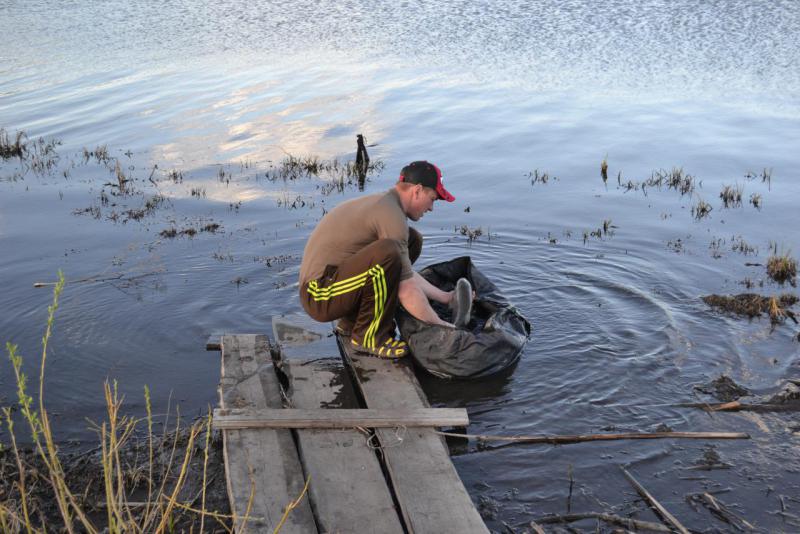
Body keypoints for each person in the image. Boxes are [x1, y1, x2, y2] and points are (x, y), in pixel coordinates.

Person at [298, 160, 458, 358]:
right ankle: (368, 336)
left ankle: (353, 322)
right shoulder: (390, 215)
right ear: (417, 191)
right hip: (319, 295)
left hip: (333, 284)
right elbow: (406, 288)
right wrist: (444, 327)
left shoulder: (388, 206)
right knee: (389, 252)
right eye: (432, 199)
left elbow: (403, 273)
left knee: (411, 241)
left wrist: (445, 297)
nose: (432, 208)